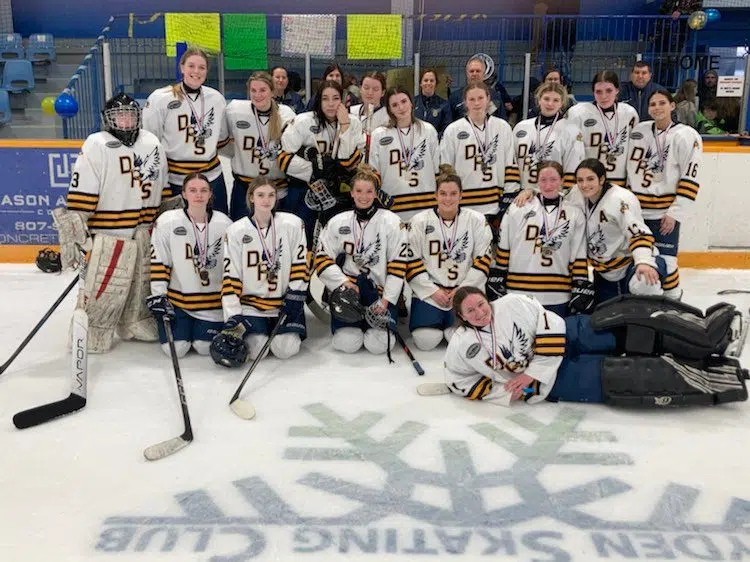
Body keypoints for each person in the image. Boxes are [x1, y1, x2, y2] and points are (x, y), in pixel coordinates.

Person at [442, 286, 745, 406]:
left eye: (481, 304)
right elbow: (457, 381)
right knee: (622, 376)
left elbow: (548, 323)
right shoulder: (460, 345)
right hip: (550, 382)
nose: (480, 312)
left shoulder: (512, 303)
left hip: (563, 336)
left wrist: (533, 371)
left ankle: (711, 334)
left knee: (619, 324)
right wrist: (509, 392)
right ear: (461, 317)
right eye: (471, 311)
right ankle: (717, 375)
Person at [52, 93, 167, 353]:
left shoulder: (151, 142)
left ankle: (134, 320)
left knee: (141, 282)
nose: (125, 120)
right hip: (109, 230)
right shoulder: (96, 144)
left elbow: (163, 184)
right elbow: (81, 191)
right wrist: (76, 228)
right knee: (105, 286)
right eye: (119, 115)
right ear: (108, 119)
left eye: (130, 114)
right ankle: (93, 328)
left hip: (142, 229)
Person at [210, 176, 309, 367]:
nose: (266, 200)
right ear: (251, 198)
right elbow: (231, 276)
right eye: (261, 195)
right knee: (256, 351)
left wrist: (295, 296)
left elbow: (300, 263)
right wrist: (233, 314)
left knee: (286, 350)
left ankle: (277, 333)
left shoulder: (293, 224)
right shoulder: (236, 231)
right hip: (252, 306)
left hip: (283, 304)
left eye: (271, 195)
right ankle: (262, 329)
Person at [313, 164, 407, 355]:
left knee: (379, 345)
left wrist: (387, 300)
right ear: (352, 193)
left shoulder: (391, 221)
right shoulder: (338, 221)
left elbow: (398, 266)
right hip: (350, 292)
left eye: (369, 191)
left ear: (375, 193)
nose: (363, 196)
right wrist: (343, 282)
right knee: (347, 343)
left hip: (379, 292)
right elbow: (321, 259)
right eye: (358, 191)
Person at [405, 165, 493, 351]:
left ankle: (452, 323)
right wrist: (432, 291)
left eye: (453, 193)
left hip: (464, 292)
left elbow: (483, 260)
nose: (448, 198)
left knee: (458, 338)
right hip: (431, 293)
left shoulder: (476, 220)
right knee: (425, 341)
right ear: (435, 195)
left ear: (461, 195)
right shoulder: (419, 221)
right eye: (443, 193)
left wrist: (462, 290)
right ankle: (443, 322)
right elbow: (411, 261)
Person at [626, 90, 703, 301]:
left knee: (667, 263)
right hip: (637, 213)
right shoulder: (639, 131)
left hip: (664, 214)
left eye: (662, 103)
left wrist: (675, 212)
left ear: (672, 106)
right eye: (652, 104)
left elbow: (691, 176)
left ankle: (673, 301)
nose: (657, 108)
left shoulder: (686, 135)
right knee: (639, 262)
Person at [147, 173, 232, 358]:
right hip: (179, 304)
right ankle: (185, 326)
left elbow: (232, 269)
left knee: (203, 348)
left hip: (211, 306)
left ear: (210, 194)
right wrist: (159, 295)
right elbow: (160, 262)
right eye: (192, 190)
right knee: (176, 350)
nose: (198, 195)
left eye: (203, 190)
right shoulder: (168, 221)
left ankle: (200, 328)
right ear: (184, 194)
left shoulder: (225, 224)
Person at [493, 161, 589, 317]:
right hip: (519, 291)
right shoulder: (519, 206)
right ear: (537, 181)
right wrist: (499, 274)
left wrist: (580, 284)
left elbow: (578, 254)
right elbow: (505, 244)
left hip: (557, 294)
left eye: (553, 180)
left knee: (553, 340)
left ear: (562, 181)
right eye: (543, 180)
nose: (548, 185)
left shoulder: (574, 213)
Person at [277, 79, 365, 244]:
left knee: (337, 240)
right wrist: (313, 170)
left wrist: (345, 125)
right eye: (325, 98)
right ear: (318, 100)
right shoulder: (303, 121)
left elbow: (350, 161)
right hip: (305, 191)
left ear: (342, 100)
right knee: (301, 239)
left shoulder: (353, 122)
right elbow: (283, 158)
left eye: (335, 98)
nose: (330, 104)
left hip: (339, 193)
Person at [142, 47, 229, 213]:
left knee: (218, 226)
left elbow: (222, 137)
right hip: (176, 180)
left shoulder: (216, 99)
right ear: (181, 67)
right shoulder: (160, 98)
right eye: (191, 66)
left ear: (207, 71)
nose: (196, 71)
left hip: (211, 178)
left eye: (201, 67)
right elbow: (151, 142)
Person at [572, 158, 667, 304]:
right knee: (607, 320)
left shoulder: (621, 199)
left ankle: (655, 318)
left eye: (590, 179)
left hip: (631, 263)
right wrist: (530, 192)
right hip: (604, 272)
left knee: (645, 283)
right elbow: (554, 196)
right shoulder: (576, 195)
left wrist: (643, 261)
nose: (584, 185)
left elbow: (638, 233)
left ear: (602, 179)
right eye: (580, 180)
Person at [222, 72, 296, 221]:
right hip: (244, 189)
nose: (257, 95)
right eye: (253, 90)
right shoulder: (235, 110)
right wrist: (238, 154)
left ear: (273, 91)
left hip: (277, 190)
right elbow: (221, 141)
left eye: (262, 90)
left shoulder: (286, 114)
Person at [440, 81, 519, 219]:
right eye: (471, 99)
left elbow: (510, 163)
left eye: (480, 98)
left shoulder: (502, 127)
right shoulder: (453, 130)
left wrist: (509, 196)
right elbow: (446, 169)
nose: (476, 103)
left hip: (495, 204)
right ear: (465, 101)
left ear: (488, 99)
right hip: (464, 206)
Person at [368, 86, 440, 222]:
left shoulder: (428, 130)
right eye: (394, 105)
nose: (401, 107)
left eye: (404, 101)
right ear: (389, 110)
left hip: (425, 206)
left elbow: (437, 170)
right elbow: (373, 173)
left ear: (411, 103)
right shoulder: (379, 134)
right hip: (393, 208)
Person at [567, 70, 639, 187]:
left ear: (617, 90)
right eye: (598, 92)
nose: (604, 96)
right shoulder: (578, 113)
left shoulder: (629, 113)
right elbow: (572, 152)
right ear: (593, 92)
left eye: (609, 91)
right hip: (590, 182)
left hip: (620, 181)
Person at [513, 82, 585, 192]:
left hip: (553, 196)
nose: (550, 104)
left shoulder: (571, 130)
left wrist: (565, 197)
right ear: (539, 100)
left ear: (562, 103)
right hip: (523, 195)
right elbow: (513, 162)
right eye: (546, 99)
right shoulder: (521, 127)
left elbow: (573, 169)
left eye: (556, 100)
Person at [448, 55, 508, 121]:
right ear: (467, 73)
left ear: (484, 73)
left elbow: (502, 122)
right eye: (471, 71)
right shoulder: (454, 97)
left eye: (478, 71)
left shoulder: (495, 96)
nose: (474, 74)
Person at [348, 71, 389, 163]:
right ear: (360, 89)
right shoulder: (350, 112)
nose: (370, 92)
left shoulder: (388, 117)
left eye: (375, 89)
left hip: (375, 169)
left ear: (382, 92)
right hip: (351, 169)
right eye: (366, 88)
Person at [414, 69, 451, 137]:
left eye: (432, 81)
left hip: (435, 144)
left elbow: (446, 129)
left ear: (436, 83)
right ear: (420, 83)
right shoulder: (412, 103)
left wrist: (434, 140)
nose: (428, 83)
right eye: (425, 80)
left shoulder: (444, 105)